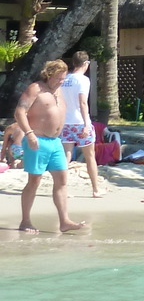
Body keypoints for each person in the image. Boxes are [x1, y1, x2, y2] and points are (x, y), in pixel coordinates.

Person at [13, 59, 85, 233]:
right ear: (49, 75)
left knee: (62, 180)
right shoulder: (35, 89)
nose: (61, 81)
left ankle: (65, 221)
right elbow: (19, 112)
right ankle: (25, 221)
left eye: (63, 78)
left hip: (56, 142)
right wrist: (29, 134)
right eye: (59, 78)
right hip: (37, 140)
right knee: (34, 181)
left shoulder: (59, 91)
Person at [59, 51, 105, 197]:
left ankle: (63, 190)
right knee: (90, 156)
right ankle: (95, 189)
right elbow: (83, 102)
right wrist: (87, 123)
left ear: (73, 63)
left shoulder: (64, 79)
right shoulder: (83, 80)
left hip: (65, 122)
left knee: (66, 156)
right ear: (86, 64)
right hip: (79, 122)